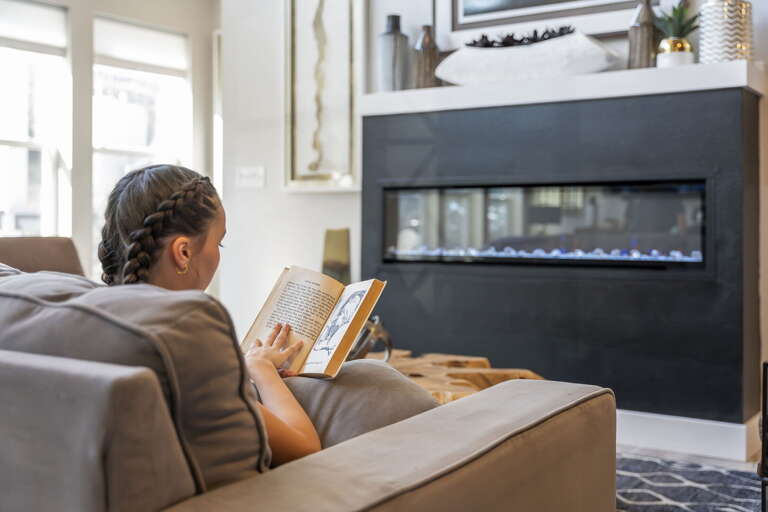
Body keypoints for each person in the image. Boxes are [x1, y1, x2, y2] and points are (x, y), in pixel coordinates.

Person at [98, 164, 320, 466]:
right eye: (219, 242)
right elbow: (305, 450)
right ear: (184, 253)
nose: (219, 253)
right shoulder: (187, 344)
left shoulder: (91, 318)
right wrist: (261, 369)